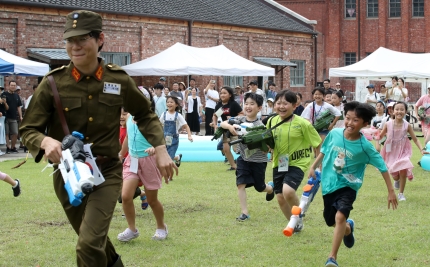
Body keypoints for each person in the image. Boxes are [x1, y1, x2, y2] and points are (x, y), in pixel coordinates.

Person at [19, 10, 177, 267]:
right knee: (95, 240)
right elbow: (28, 129)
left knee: (88, 243)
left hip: (107, 172)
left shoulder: (119, 80)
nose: (75, 46)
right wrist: (44, 141)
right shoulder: (52, 84)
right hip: (68, 176)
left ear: (100, 39)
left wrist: (160, 149)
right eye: (70, 40)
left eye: (82, 38)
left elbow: (145, 114)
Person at [308, 101, 398, 267]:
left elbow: (383, 167)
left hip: (349, 186)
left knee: (340, 215)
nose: (350, 123)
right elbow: (324, 150)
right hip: (329, 184)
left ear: (364, 124)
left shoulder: (365, 147)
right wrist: (313, 166)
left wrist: (391, 190)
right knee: (331, 221)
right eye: (348, 118)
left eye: (355, 120)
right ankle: (348, 228)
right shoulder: (334, 134)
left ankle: (332, 258)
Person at [268, 90, 321, 232]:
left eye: (285, 103)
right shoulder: (272, 121)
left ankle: (299, 217)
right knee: (280, 198)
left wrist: (317, 167)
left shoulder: (303, 124)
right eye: (278, 103)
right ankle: (296, 225)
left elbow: (318, 144)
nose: (281, 106)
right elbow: (269, 141)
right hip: (280, 163)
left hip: (298, 163)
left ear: (295, 105)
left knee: (288, 192)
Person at [220, 93, 274, 221]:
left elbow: (267, 147)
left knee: (260, 187)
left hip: (258, 161)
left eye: (252, 104)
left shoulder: (261, 126)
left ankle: (271, 189)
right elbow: (222, 124)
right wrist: (230, 127)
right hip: (243, 159)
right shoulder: (240, 120)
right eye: (246, 103)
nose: (248, 106)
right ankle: (244, 213)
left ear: (259, 108)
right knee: (241, 184)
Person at [117, 109, 168, 242]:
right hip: (132, 160)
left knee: (152, 200)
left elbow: (160, 137)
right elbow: (128, 137)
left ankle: (161, 227)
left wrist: (154, 147)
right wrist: (121, 154)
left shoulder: (150, 118)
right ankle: (132, 229)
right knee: (126, 196)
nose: (122, 115)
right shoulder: (129, 117)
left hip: (149, 160)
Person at [379, 101, 425, 201]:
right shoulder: (388, 124)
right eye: (397, 109)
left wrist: (421, 149)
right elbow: (380, 136)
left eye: (402, 109)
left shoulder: (407, 125)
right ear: (392, 111)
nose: (399, 111)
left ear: (406, 111)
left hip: (403, 151)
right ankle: (397, 179)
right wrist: (372, 134)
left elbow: (416, 139)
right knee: (394, 175)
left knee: (403, 169)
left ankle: (401, 194)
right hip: (390, 151)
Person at [301, 87, 341, 157]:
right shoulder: (310, 105)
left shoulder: (327, 105)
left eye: (319, 94)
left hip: (324, 129)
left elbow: (338, 114)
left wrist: (332, 124)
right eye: (316, 94)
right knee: (316, 147)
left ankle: (319, 162)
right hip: (313, 129)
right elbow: (304, 117)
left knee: (319, 144)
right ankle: (318, 161)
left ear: (323, 96)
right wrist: (309, 123)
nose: (317, 96)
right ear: (313, 96)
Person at [213, 86, 243, 170]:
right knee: (225, 149)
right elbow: (215, 116)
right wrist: (215, 125)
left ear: (230, 95)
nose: (222, 95)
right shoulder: (219, 105)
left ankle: (245, 163)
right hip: (225, 129)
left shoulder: (233, 104)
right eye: (221, 93)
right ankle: (233, 166)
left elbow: (241, 114)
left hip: (235, 129)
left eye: (224, 93)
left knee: (236, 149)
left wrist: (233, 118)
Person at [160, 96, 193, 170]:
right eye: (168, 102)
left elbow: (186, 126)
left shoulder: (178, 116)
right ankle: (177, 157)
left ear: (176, 105)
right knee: (165, 156)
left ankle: (168, 176)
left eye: (171, 102)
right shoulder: (164, 114)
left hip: (174, 140)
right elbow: (158, 124)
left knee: (169, 158)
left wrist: (189, 136)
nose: (169, 104)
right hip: (164, 139)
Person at [1, 81, 22, 153]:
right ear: (9, 86)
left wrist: (20, 116)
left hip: (14, 117)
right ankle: (8, 147)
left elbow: (18, 107)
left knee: (15, 133)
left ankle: (13, 147)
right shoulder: (4, 94)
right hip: (6, 116)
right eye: (12, 85)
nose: (13, 86)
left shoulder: (16, 96)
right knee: (7, 133)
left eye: (14, 85)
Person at [415, 85, 430, 150]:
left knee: (427, 140)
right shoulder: (424, 97)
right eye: (429, 89)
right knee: (427, 140)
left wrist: (427, 116)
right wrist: (417, 115)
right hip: (425, 123)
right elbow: (416, 106)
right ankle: (427, 156)